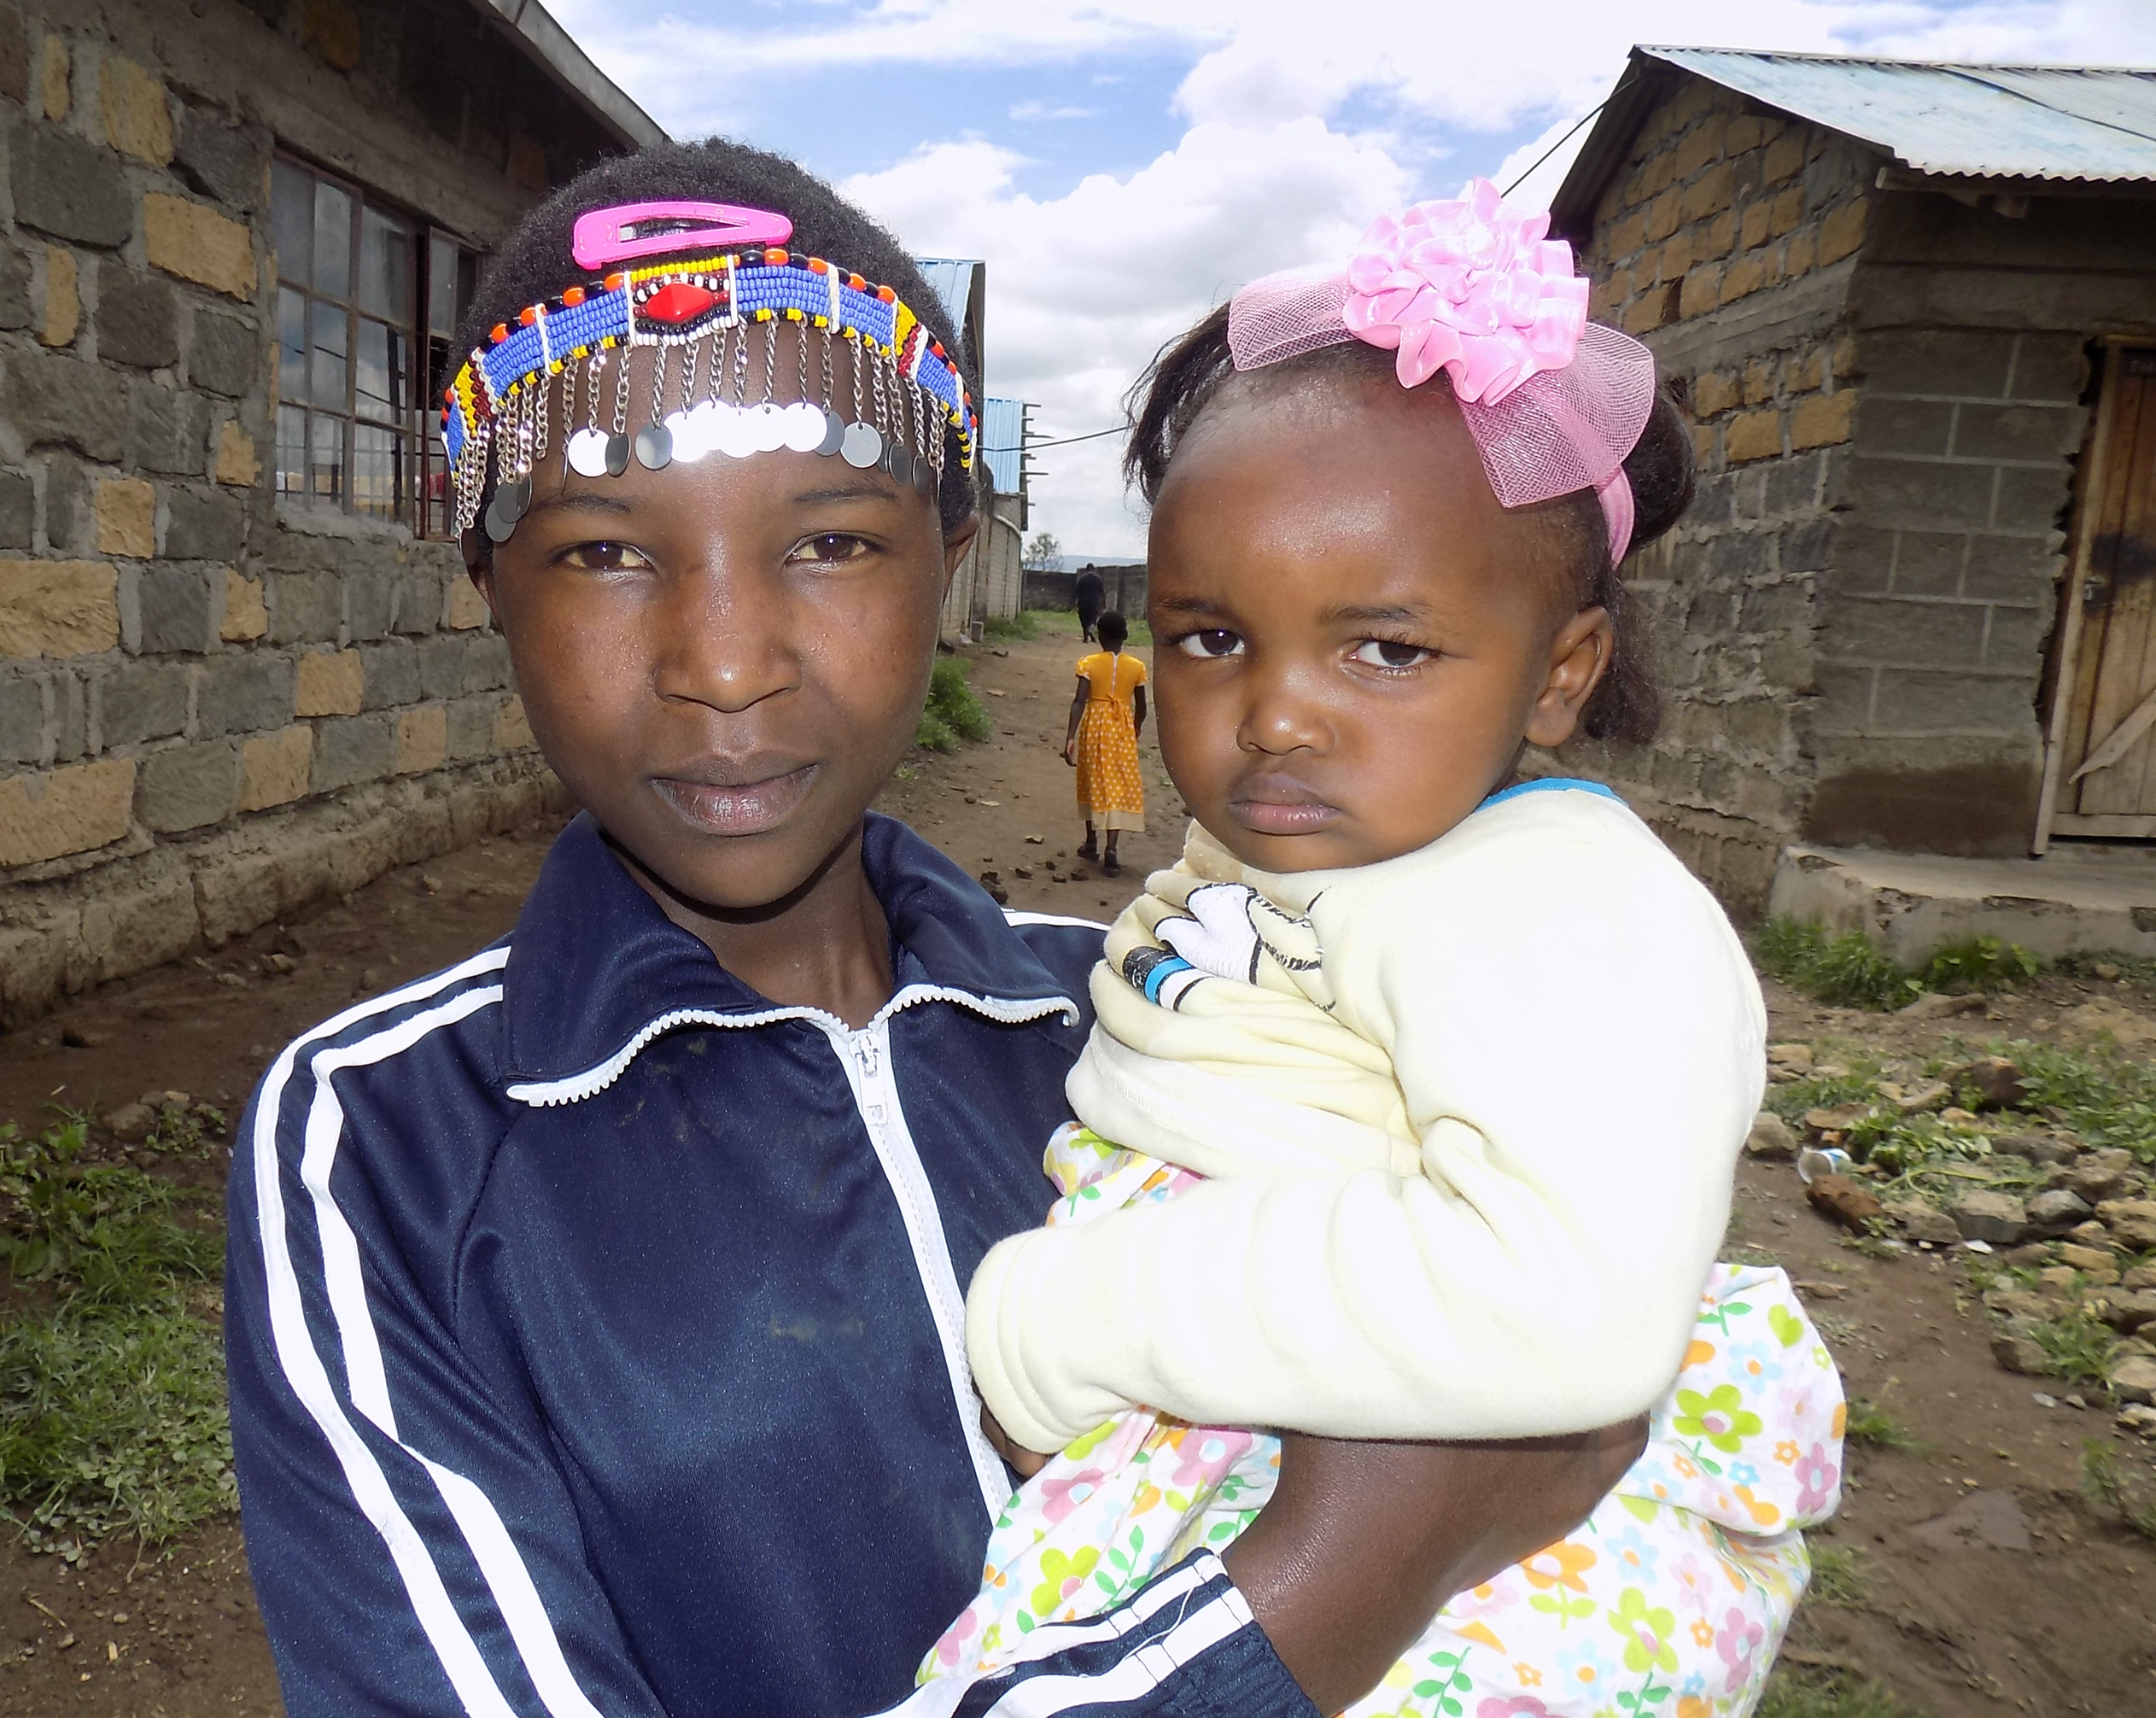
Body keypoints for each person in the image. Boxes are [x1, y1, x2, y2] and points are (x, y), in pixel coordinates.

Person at [225, 143, 1646, 1718]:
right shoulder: (392, 1148)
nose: (725, 661)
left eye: (829, 541)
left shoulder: (1167, 1017)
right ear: (486, 579)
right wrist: (1353, 1566)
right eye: (605, 552)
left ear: (951, 556)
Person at [925, 184, 1843, 1716]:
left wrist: (1060, 1318)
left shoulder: (1555, 898)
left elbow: (1556, 1291)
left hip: (1465, 1542)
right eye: (1213, 636)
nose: (1276, 711)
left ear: (1561, 674)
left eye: (1388, 648)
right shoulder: (1340, 839)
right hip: (1255, 1430)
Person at [1060, 610, 1147, 878]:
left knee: (1091, 780)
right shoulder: (1137, 667)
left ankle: (1090, 842)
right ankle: (1112, 850)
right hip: (1122, 730)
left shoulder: (1088, 663)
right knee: (1118, 785)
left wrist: (1070, 737)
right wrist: (1135, 727)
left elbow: (1078, 702)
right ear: (1126, 636)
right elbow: (1142, 707)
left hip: (1094, 727)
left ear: (1099, 636)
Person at [1073, 565, 1105, 641]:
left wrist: (1075, 602)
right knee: (1093, 618)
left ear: (1086, 570)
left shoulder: (1082, 579)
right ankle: (1091, 629)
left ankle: (1085, 638)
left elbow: (1077, 592)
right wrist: (1103, 602)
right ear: (1094, 570)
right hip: (1094, 602)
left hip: (1083, 602)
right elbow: (1102, 592)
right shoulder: (1098, 579)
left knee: (1084, 619)